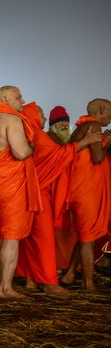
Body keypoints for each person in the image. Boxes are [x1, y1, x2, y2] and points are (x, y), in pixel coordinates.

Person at [17, 102, 100, 294]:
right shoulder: (40, 136)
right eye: (43, 115)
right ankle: (50, 283)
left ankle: (31, 281)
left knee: (33, 239)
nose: (44, 118)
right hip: (40, 194)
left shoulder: (35, 135)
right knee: (45, 239)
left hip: (37, 193)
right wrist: (86, 143)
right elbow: (58, 155)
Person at [0, 86, 41, 300]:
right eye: (18, 97)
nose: (22, 100)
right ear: (4, 98)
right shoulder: (11, 119)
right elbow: (21, 152)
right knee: (11, 237)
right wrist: (32, 146)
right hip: (9, 185)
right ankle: (6, 288)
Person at [60, 98, 111, 290]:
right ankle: (88, 283)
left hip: (82, 188)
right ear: (100, 110)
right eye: (110, 113)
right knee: (88, 237)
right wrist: (108, 142)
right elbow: (98, 157)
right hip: (86, 190)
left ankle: (70, 274)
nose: (110, 118)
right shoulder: (93, 125)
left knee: (85, 234)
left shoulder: (83, 126)